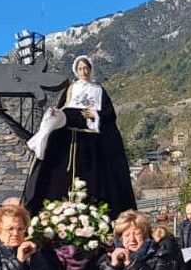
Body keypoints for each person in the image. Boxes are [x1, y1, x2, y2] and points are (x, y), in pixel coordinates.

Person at [23, 55, 136, 218]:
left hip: (92, 142)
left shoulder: (99, 90)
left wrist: (95, 114)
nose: (84, 71)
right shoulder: (71, 89)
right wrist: (56, 115)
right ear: (76, 71)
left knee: (95, 179)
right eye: (81, 68)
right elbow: (63, 109)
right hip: (69, 140)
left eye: (86, 68)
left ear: (91, 69)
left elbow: (110, 115)